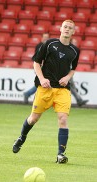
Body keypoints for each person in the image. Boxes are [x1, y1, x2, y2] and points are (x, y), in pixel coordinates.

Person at [13, 20, 80, 164]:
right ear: (60, 29)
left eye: (70, 28)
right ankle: (22, 137)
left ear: (73, 32)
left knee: (63, 119)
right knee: (33, 119)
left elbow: (73, 69)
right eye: (65, 27)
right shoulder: (49, 44)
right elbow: (36, 62)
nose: (67, 29)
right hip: (45, 88)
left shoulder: (75, 51)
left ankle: (60, 154)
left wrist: (67, 77)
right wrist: (42, 78)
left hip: (62, 91)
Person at [23, 33, 50, 104]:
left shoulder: (47, 46)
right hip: (40, 67)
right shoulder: (40, 46)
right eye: (45, 37)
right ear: (42, 38)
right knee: (41, 83)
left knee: (42, 83)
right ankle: (29, 94)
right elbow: (38, 58)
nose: (46, 38)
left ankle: (29, 95)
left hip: (44, 67)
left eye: (47, 37)